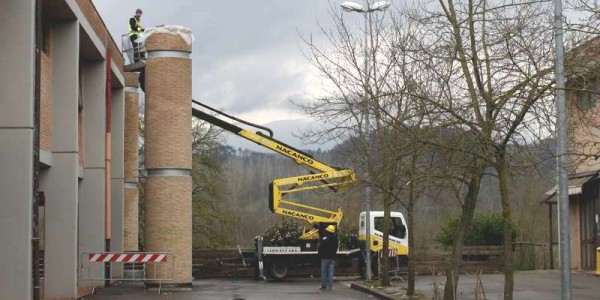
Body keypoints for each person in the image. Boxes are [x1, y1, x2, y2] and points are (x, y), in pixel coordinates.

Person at [318, 224, 339, 291]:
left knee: (324, 272)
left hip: (325, 258)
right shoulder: (335, 239)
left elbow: (320, 248)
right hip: (332, 258)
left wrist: (320, 255)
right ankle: (330, 286)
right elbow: (336, 248)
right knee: (330, 272)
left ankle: (323, 286)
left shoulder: (324, 239)